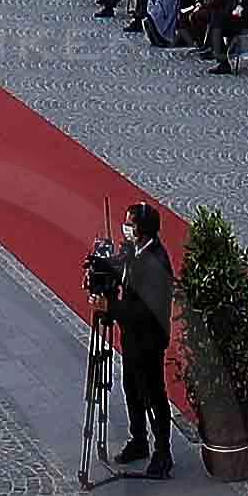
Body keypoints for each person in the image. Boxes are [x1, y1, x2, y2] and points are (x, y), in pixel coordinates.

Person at [103, 198, 182, 473]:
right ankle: (139, 440)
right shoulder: (134, 250)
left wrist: (110, 307)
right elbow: (122, 272)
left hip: (149, 339)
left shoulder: (155, 263)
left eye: (130, 224)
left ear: (143, 229)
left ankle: (163, 451)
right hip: (132, 337)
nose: (125, 227)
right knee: (132, 389)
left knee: (153, 394)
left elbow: (142, 312)